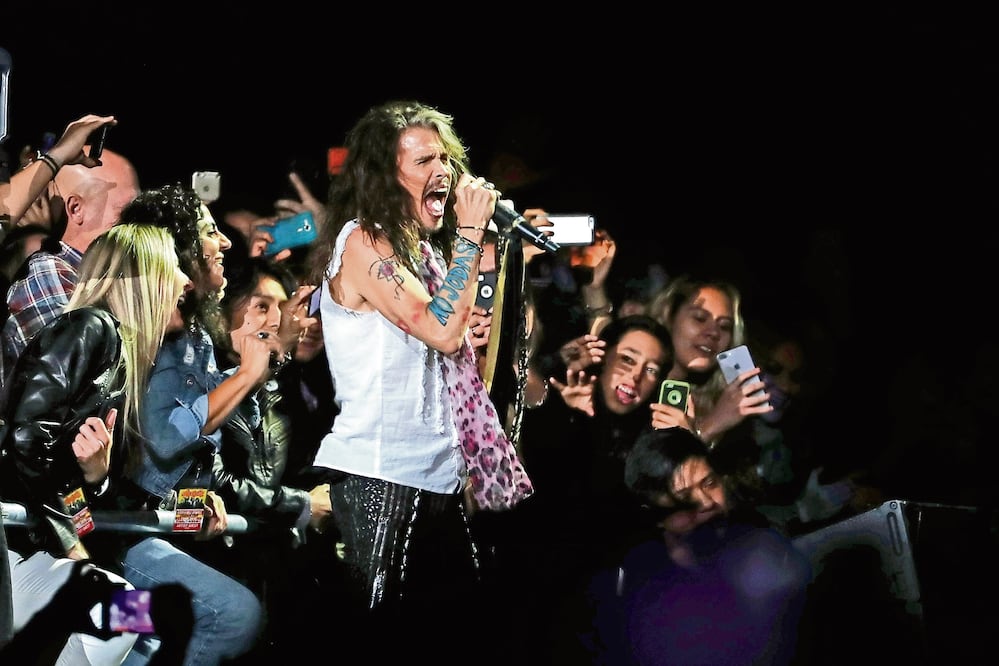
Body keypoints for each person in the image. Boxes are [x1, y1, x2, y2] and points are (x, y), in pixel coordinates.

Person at [306, 99, 532, 656]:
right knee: (383, 644)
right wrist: (472, 233)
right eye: (424, 161)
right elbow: (440, 329)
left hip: (441, 477)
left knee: (461, 634)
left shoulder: (423, 252)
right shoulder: (363, 242)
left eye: (446, 159)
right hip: (383, 478)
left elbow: (449, 341)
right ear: (386, 175)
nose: (445, 173)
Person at [115, 183, 313, 664]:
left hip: (156, 525)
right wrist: (247, 372)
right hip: (110, 538)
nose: (225, 242)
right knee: (232, 613)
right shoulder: (164, 329)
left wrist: (263, 362)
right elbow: (163, 439)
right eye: (209, 231)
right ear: (179, 247)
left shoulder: (193, 332)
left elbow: (193, 436)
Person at [0, 223, 190, 665]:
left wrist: (97, 477)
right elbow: (25, 440)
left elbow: (78, 478)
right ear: (148, 275)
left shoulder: (121, 354)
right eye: (176, 267)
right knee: (128, 613)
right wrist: (71, 539)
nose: (186, 281)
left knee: (135, 620)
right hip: (14, 542)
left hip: (30, 544)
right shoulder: (90, 328)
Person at [576, 426, 812, 665]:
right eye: (684, 497)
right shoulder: (639, 599)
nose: (708, 503)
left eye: (709, 483)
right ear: (655, 514)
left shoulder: (760, 537)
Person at [2, 121, 138, 380]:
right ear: (76, 209)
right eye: (128, 213)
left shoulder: (99, 279)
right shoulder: (48, 275)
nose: (139, 227)